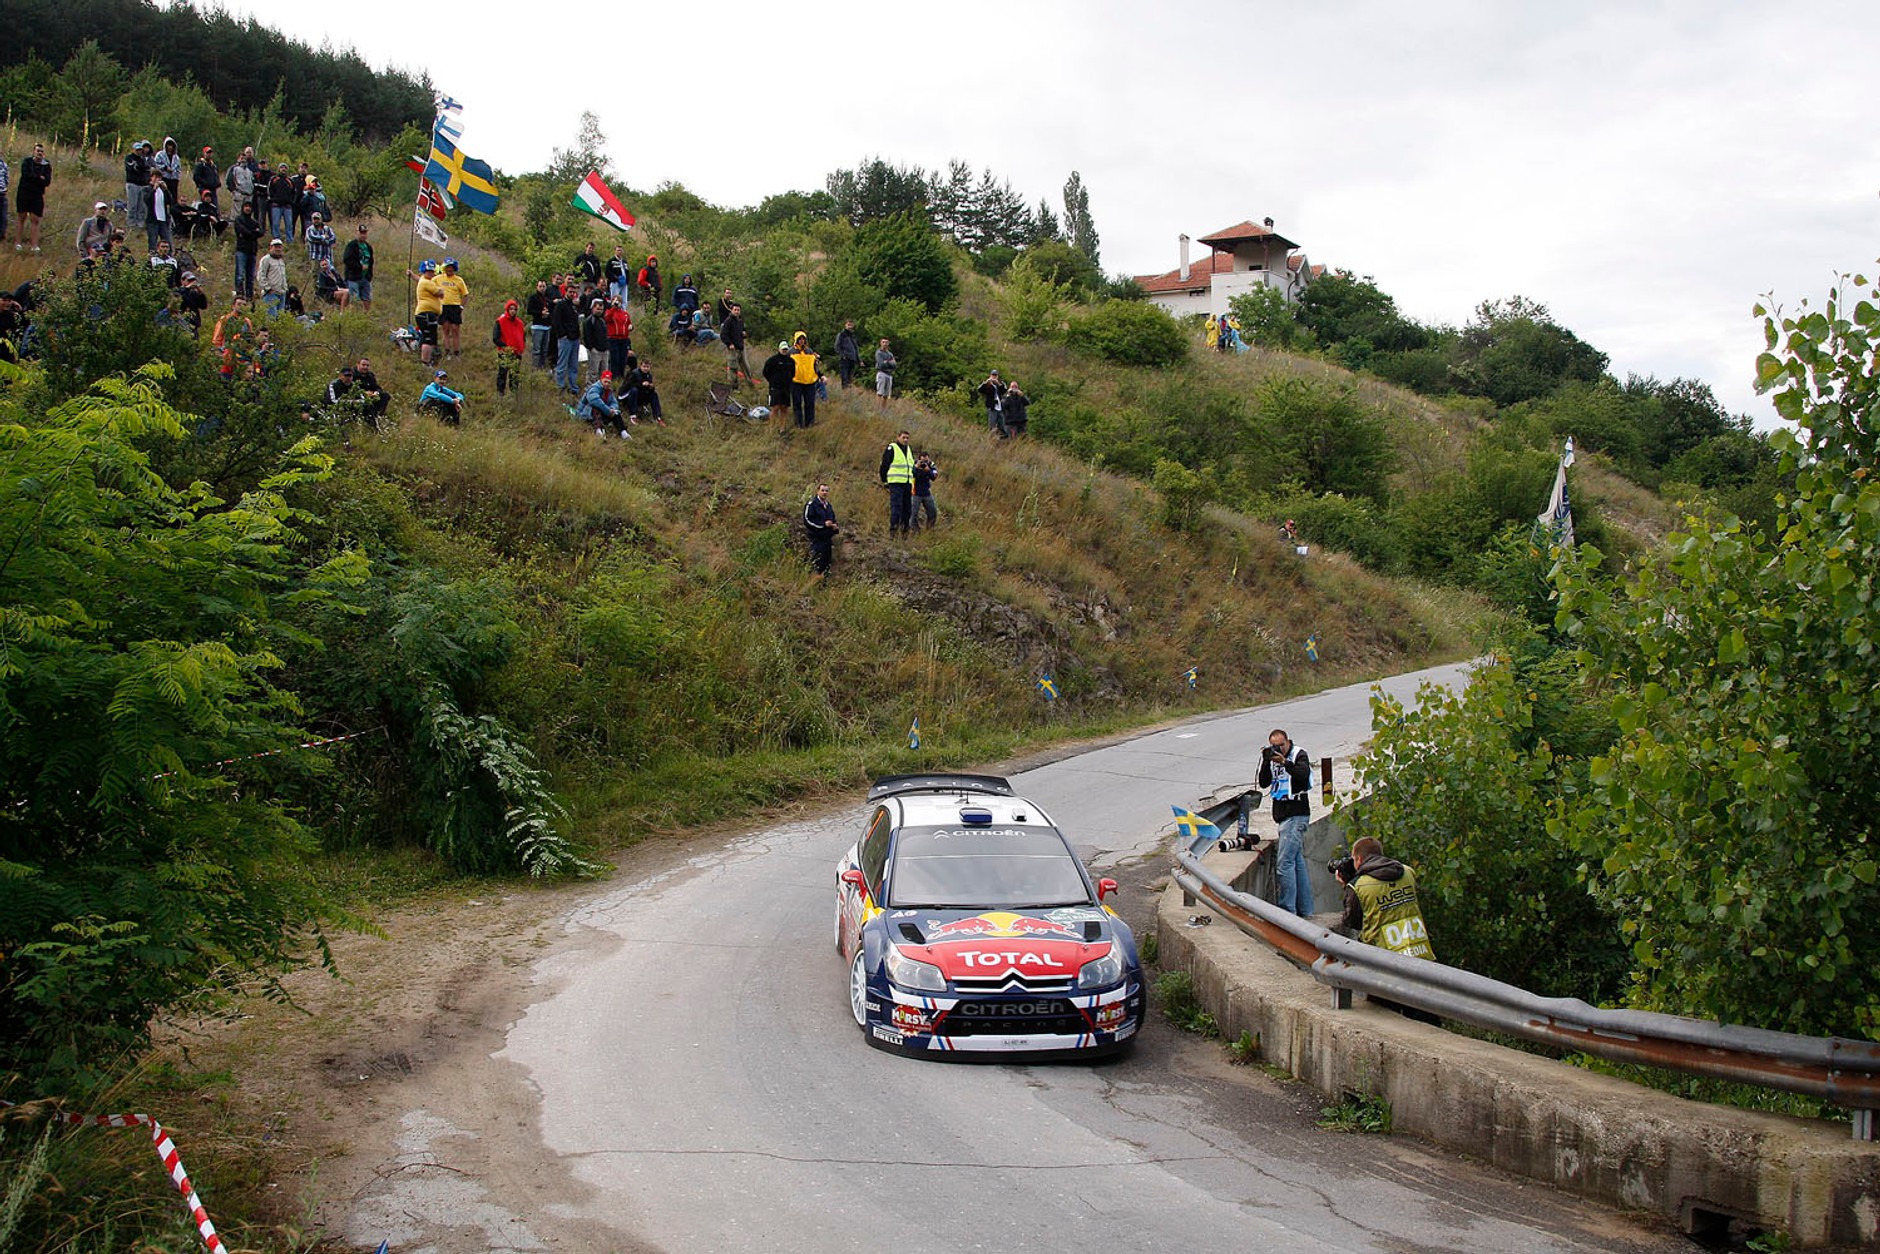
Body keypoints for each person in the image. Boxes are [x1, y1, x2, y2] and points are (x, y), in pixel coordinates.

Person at [1336, 837, 1436, 962]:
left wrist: (1346, 887)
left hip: (1383, 959)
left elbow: (1352, 922)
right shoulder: (1407, 871)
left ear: (1359, 859)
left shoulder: (1358, 886)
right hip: (1420, 952)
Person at [1257, 728, 1315, 918]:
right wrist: (1267, 760)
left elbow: (1303, 774)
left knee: (1284, 864)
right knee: (1297, 863)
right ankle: (1305, 910)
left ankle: (1287, 912)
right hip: (1283, 816)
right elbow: (1264, 783)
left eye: (1281, 745)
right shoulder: (1273, 759)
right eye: (1275, 746)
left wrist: (1285, 762)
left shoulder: (1299, 754)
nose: (1279, 749)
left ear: (1288, 742)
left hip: (1296, 814)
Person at [407, 259, 445, 366]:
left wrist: (412, 275)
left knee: (431, 338)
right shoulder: (426, 282)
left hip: (429, 313)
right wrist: (441, 290)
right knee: (428, 339)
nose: (431, 273)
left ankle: (430, 360)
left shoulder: (425, 281)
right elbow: (440, 292)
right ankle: (425, 362)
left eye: (432, 271)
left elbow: (419, 279)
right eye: (428, 271)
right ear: (424, 271)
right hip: (426, 313)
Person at [14, 142, 50, 253]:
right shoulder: (27, 162)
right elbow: (26, 175)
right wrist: (39, 178)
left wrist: (37, 178)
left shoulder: (46, 165)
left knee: (35, 219)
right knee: (21, 217)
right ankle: (17, 243)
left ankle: (34, 245)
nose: (40, 153)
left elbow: (47, 181)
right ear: (33, 151)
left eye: (41, 151)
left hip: (37, 195)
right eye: (38, 151)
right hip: (24, 193)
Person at [880, 429, 915, 538]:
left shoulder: (908, 449)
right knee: (896, 507)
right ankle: (893, 531)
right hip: (896, 482)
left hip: (907, 483)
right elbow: (884, 465)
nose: (905, 440)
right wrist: (884, 480)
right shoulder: (892, 448)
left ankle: (905, 531)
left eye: (907, 438)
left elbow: (911, 467)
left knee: (907, 508)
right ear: (898, 437)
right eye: (903, 437)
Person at [551, 281, 583, 394]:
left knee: (574, 365)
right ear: (565, 292)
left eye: (574, 292)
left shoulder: (574, 306)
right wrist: (562, 335)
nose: (572, 294)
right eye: (570, 292)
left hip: (575, 338)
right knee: (562, 364)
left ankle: (573, 386)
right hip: (565, 339)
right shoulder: (561, 305)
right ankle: (559, 386)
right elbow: (556, 321)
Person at [576, 371, 628, 438]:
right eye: (605, 381)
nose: (607, 384)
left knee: (616, 412)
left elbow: (614, 402)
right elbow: (594, 401)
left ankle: (623, 431)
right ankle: (598, 430)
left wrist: (612, 409)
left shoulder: (609, 391)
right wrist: (608, 410)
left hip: (602, 413)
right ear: (601, 380)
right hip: (586, 414)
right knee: (596, 408)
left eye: (608, 382)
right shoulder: (594, 388)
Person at [492, 297, 526, 396]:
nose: (513, 311)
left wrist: (521, 348)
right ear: (507, 309)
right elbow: (496, 338)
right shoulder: (500, 321)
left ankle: (514, 393)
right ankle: (500, 393)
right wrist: (506, 347)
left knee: (515, 375)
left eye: (514, 309)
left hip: (517, 353)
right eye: (511, 309)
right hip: (504, 352)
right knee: (502, 373)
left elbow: (523, 337)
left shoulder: (520, 323)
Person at [804, 482, 839, 576]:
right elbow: (807, 520)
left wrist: (835, 527)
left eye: (826, 491)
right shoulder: (812, 504)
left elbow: (833, 519)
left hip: (827, 540)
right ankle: (812, 580)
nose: (824, 493)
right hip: (816, 539)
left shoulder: (828, 506)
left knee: (826, 564)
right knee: (816, 562)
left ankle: (824, 581)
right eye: (822, 490)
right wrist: (823, 525)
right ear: (817, 491)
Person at [437, 257, 469, 357]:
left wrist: (461, 307)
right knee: (445, 330)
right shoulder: (438, 278)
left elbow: (465, 294)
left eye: (451, 267)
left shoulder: (459, 280)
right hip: (443, 306)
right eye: (447, 267)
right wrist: (412, 275)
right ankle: (447, 352)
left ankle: (456, 353)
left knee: (455, 330)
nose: (449, 269)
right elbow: (426, 282)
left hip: (455, 307)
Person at [789, 331, 821, 428]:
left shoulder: (810, 351)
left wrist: (820, 375)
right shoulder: (791, 352)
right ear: (796, 340)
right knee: (797, 404)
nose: (801, 341)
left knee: (810, 403)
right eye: (800, 339)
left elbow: (814, 366)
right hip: (796, 382)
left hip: (810, 381)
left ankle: (810, 423)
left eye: (803, 339)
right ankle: (798, 424)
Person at [232, 202, 263, 298]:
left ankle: (249, 296)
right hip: (241, 250)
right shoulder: (239, 220)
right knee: (240, 275)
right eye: (246, 206)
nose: (248, 208)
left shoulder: (254, 222)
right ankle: (240, 294)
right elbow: (243, 231)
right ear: (242, 208)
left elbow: (261, 232)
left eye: (249, 207)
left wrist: (249, 233)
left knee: (251, 276)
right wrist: (253, 233)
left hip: (252, 251)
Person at [762, 340, 794, 429]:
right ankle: (771, 428)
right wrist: (772, 381)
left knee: (784, 408)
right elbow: (765, 372)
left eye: (786, 349)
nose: (784, 351)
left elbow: (793, 373)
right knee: (775, 407)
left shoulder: (791, 361)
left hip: (786, 388)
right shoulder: (772, 360)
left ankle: (782, 429)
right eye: (783, 349)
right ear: (779, 349)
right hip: (775, 388)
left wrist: (789, 381)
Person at [624, 354, 664, 425]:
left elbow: (648, 389)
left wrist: (651, 387)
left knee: (654, 394)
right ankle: (633, 415)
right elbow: (628, 385)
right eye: (644, 366)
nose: (645, 368)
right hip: (628, 396)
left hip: (641, 396)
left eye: (647, 367)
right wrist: (641, 384)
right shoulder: (634, 373)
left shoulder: (649, 375)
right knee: (634, 390)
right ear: (640, 366)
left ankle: (657, 417)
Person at [342, 223, 375, 309]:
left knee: (367, 298)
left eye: (365, 233)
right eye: (361, 233)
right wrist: (359, 266)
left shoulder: (368, 246)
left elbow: (371, 261)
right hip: (354, 277)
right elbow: (347, 260)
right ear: (357, 233)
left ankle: (366, 314)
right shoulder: (352, 245)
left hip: (365, 277)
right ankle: (354, 315)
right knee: (354, 299)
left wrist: (369, 274)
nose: (363, 235)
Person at [353, 356, 391, 427]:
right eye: (363, 365)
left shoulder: (370, 376)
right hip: (356, 398)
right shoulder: (352, 375)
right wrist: (363, 393)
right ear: (358, 364)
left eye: (367, 365)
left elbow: (377, 387)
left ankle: (378, 416)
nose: (365, 367)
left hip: (370, 397)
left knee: (385, 396)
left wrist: (376, 393)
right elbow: (348, 389)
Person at [526, 278, 555, 368]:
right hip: (537, 326)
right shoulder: (533, 297)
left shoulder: (547, 299)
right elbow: (529, 310)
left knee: (545, 350)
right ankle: (535, 368)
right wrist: (540, 313)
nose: (542, 288)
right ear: (537, 287)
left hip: (547, 326)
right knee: (537, 350)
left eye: (544, 286)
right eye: (540, 286)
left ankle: (542, 367)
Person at [720, 301, 751, 385]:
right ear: (731, 310)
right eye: (735, 310)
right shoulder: (728, 321)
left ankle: (749, 383)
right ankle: (733, 385)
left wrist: (744, 333)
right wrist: (729, 343)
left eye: (738, 310)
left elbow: (743, 330)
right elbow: (723, 335)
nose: (737, 311)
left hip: (741, 347)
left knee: (746, 367)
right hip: (733, 349)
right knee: (733, 368)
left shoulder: (740, 320)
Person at [266, 158, 297, 242]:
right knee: (275, 223)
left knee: (289, 224)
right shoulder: (274, 179)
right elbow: (269, 190)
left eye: (285, 168)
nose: (283, 169)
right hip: (276, 205)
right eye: (282, 167)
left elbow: (294, 192)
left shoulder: (290, 180)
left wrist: (291, 201)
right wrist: (273, 199)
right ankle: (276, 239)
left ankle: (289, 240)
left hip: (287, 206)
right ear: (279, 169)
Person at [257, 238, 290, 317]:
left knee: (280, 318)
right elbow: (261, 275)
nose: (278, 249)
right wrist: (268, 289)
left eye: (279, 247)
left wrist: (285, 289)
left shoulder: (281, 261)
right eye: (276, 247)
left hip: (282, 293)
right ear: (271, 247)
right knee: (271, 317)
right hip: (271, 294)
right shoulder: (266, 259)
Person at [143, 170, 174, 251]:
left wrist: (166, 189)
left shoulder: (162, 190)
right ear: (151, 178)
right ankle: (152, 255)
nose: (157, 179)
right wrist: (154, 189)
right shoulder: (146, 189)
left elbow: (170, 201)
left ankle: (169, 255)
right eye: (155, 177)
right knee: (153, 241)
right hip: (152, 220)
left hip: (163, 220)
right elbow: (147, 200)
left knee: (167, 241)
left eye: (159, 177)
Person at [604, 297, 633, 379]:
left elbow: (629, 323)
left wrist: (631, 326)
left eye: (619, 301)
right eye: (615, 300)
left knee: (623, 358)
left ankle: (621, 375)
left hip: (624, 339)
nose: (617, 302)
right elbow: (607, 319)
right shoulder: (609, 312)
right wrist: (613, 308)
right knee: (614, 358)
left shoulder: (625, 314)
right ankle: (614, 376)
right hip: (613, 338)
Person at [124, 141, 151, 231]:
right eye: (137, 150)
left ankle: (140, 223)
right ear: (133, 150)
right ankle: (131, 222)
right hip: (132, 184)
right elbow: (133, 168)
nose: (139, 151)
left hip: (142, 185)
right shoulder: (129, 158)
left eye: (140, 150)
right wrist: (143, 169)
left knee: (141, 205)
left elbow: (146, 170)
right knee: (132, 205)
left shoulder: (142, 160)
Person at [582, 298, 610, 383]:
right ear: (593, 308)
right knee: (593, 372)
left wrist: (607, 347)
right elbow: (586, 336)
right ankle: (590, 387)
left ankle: (602, 388)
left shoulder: (602, 321)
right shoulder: (589, 321)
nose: (599, 311)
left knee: (604, 373)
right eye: (598, 309)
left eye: (601, 309)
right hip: (595, 351)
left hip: (604, 350)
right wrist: (591, 348)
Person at [911, 451, 939, 531]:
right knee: (913, 514)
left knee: (933, 512)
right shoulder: (914, 464)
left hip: (926, 493)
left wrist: (928, 470)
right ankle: (915, 530)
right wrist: (916, 467)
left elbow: (934, 477)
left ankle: (930, 529)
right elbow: (911, 474)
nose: (924, 463)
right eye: (922, 461)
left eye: (926, 461)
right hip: (915, 493)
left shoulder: (931, 465)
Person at [153, 137, 183, 206]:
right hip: (164, 178)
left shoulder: (176, 157)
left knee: (173, 198)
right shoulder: (160, 155)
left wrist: (177, 178)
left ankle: (173, 211)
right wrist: (165, 168)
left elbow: (178, 168)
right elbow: (156, 164)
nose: (170, 147)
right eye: (168, 145)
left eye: (171, 145)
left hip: (174, 180)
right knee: (164, 197)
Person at [978, 369, 1008, 437]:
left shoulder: (998, 384)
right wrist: (986, 382)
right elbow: (979, 389)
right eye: (993, 375)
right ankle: (991, 439)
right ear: (990, 375)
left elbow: (1004, 390)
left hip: (999, 408)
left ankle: (1002, 439)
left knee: (1002, 426)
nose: (994, 377)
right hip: (992, 407)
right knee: (992, 425)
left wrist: (999, 384)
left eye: (995, 375)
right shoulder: (987, 385)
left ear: (997, 376)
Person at [177, 270, 208, 335]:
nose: (191, 283)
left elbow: (203, 306)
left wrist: (201, 293)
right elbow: (181, 303)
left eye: (193, 281)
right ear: (182, 281)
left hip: (193, 325)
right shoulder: (179, 292)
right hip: (182, 323)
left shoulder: (194, 293)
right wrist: (187, 288)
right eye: (189, 280)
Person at [834, 319, 861, 388]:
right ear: (845, 325)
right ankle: (845, 391)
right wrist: (843, 355)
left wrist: (859, 360)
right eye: (848, 325)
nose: (850, 327)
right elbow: (837, 347)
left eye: (851, 325)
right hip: (845, 359)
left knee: (850, 379)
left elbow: (856, 348)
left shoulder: (852, 336)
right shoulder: (841, 335)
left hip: (852, 359)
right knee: (844, 378)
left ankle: (848, 392)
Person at [193, 145, 220, 209]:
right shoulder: (201, 165)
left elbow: (216, 175)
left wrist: (217, 183)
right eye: (207, 153)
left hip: (213, 190)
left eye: (210, 153)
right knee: (205, 207)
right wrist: (204, 183)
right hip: (204, 190)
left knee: (214, 207)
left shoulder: (213, 166)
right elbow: (196, 177)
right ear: (204, 154)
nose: (209, 154)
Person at [874, 338, 895, 410]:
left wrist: (887, 362)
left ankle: (883, 410)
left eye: (886, 342)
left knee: (886, 394)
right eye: (883, 342)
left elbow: (894, 365)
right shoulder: (878, 353)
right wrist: (889, 362)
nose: (885, 344)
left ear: (888, 344)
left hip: (889, 375)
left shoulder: (890, 354)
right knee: (880, 392)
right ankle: (876, 408)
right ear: (880, 343)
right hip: (881, 373)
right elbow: (881, 364)